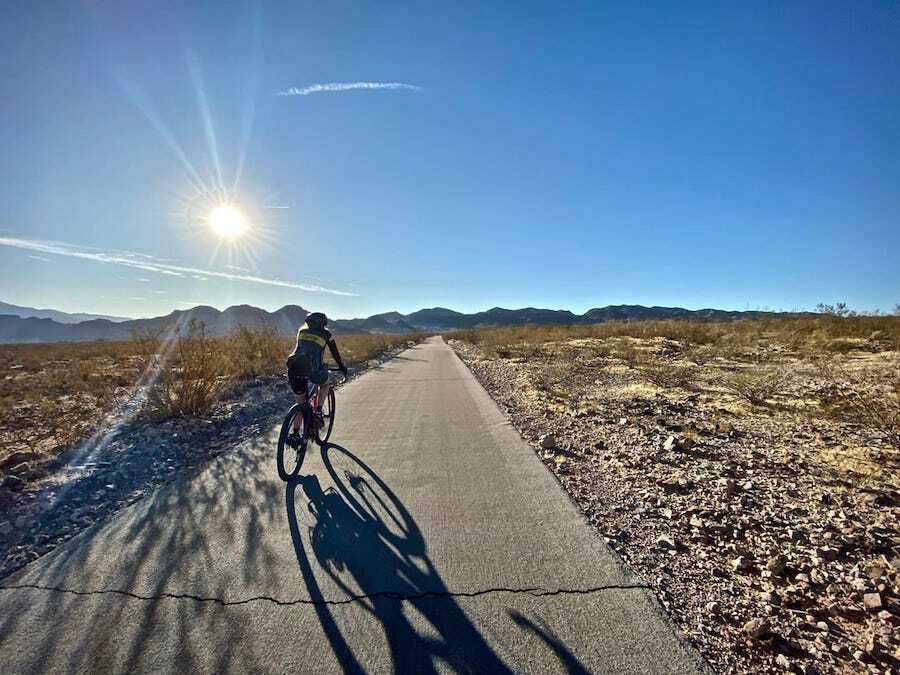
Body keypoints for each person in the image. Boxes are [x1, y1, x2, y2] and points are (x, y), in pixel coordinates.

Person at [287, 312, 348, 438]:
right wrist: (342, 367)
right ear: (323, 324)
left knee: (301, 403)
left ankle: (296, 433)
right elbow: (335, 353)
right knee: (325, 384)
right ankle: (319, 411)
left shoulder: (301, 332)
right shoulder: (327, 334)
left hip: (294, 369)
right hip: (313, 370)